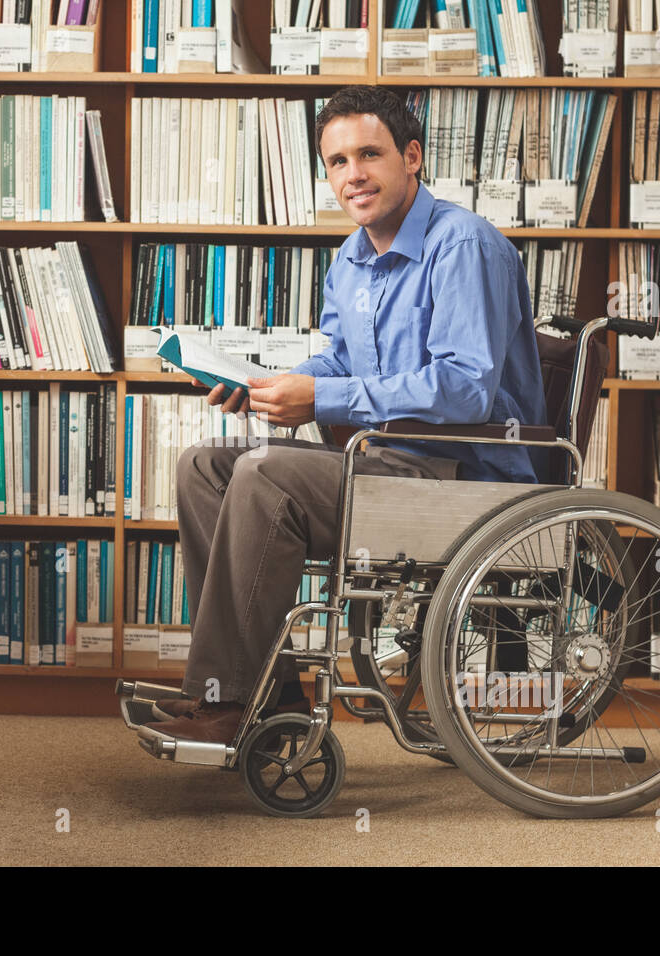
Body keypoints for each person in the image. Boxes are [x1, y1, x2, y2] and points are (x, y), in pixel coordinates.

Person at [143, 85, 545, 745]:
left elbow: (466, 388)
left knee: (265, 476)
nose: (352, 174)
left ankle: (231, 699)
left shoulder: (463, 245)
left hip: (467, 479)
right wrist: (272, 386)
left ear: (411, 156)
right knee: (205, 468)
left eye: (369, 154)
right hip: (389, 467)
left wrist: (321, 401)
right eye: (336, 161)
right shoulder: (351, 259)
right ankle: (262, 692)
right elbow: (343, 365)